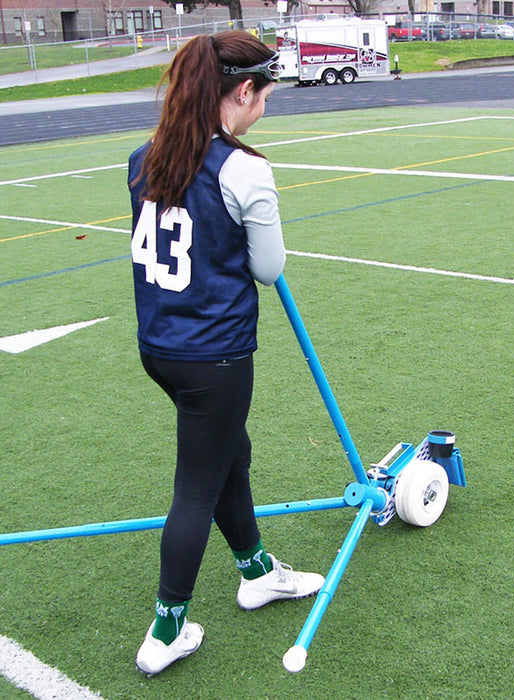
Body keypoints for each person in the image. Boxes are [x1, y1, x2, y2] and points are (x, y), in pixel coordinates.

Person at [127, 30, 324, 677]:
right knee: (196, 486)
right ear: (242, 91)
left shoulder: (143, 157)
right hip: (213, 355)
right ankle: (166, 630)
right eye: (265, 95)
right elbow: (268, 268)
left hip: (161, 345)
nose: (265, 106)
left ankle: (257, 571)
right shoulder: (243, 168)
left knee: (227, 454)